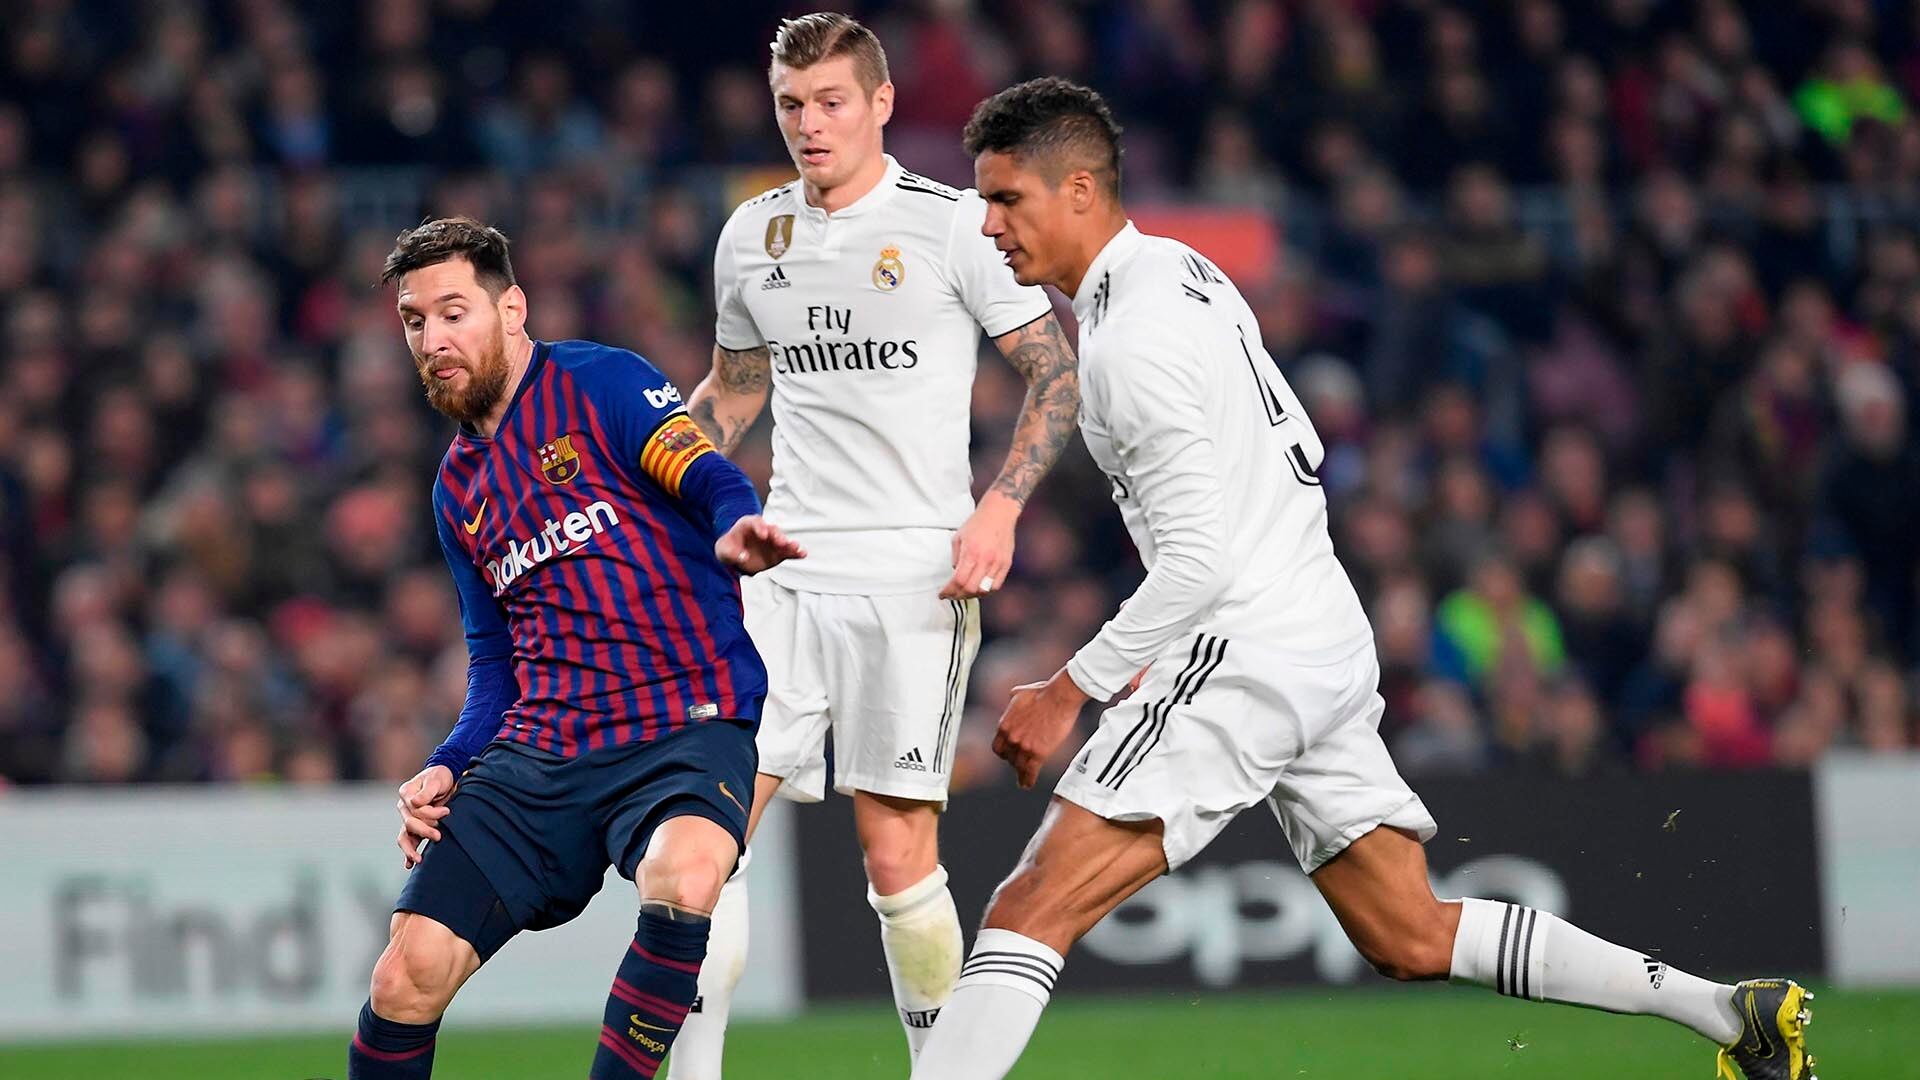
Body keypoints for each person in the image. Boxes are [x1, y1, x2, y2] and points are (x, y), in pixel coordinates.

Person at [907, 78, 1817, 1080]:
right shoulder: (1182, 272)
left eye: (1007, 200)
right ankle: (1737, 1016)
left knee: (1030, 906)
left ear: (1079, 189)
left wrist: (1068, 687)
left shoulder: (1131, 340)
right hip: (1318, 629)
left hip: (1244, 642)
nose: (988, 226)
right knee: (1409, 932)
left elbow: (1201, 561)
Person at [672, 13, 1079, 1077]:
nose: (810, 124)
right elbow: (737, 391)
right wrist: (657, 478)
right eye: (791, 105)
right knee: (703, 839)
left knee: (896, 857)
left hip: (912, 574)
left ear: (882, 104)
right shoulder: (751, 235)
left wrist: (999, 509)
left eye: (831, 101)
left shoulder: (950, 226)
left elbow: (1058, 372)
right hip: (782, 573)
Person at [351, 217, 804, 1080]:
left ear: (511, 308)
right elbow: (494, 665)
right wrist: (450, 760)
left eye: (454, 313)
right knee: (404, 975)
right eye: (415, 322)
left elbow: (703, 470)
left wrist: (737, 523)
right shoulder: (456, 488)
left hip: (682, 721)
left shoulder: (600, 383)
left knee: (690, 868)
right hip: (546, 750)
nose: (434, 340)